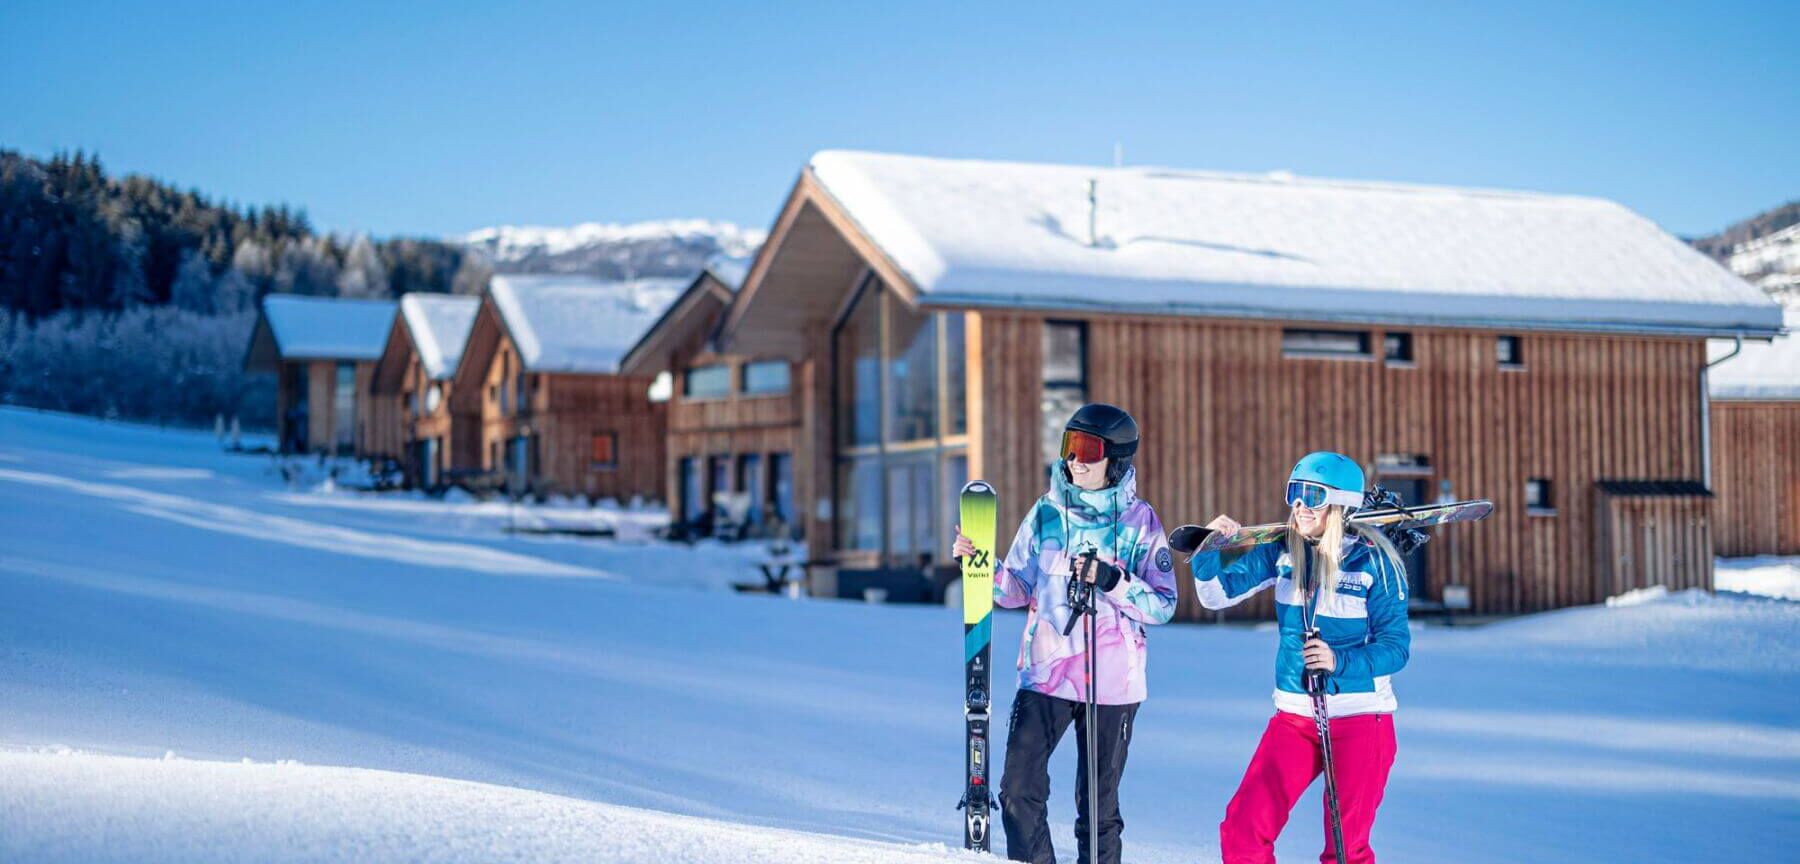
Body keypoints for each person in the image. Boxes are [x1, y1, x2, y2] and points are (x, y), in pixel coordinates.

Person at [952, 403, 1179, 864]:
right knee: (1017, 791)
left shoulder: (1140, 521)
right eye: (1069, 447)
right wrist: (980, 566)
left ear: (1114, 459)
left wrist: (1114, 581)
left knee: (1097, 811)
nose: (1075, 460)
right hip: (1047, 673)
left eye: (1088, 449)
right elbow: (1016, 588)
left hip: (1112, 684)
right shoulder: (1046, 513)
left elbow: (1163, 604)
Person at [1188, 452, 1410, 864]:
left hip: (1362, 718)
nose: (1299, 505)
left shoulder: (1375, 563)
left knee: (1346, 850)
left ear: (1341, 503)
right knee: (1242, 831)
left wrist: (1337, 661)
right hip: (1294, 717)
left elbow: (1396, 648)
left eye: (1312, 495)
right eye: (1294, 493)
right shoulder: (1281, 553)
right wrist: (1208, 551)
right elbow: (1215, 596)